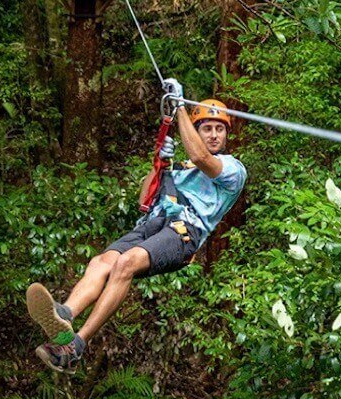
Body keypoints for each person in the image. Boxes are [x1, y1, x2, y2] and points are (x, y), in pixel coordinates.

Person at [25, 79, 247, 372]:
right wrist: (160, 163)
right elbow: (144, 200)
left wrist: (179, 107)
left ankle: (76, 346)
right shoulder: (179, 169)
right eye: (207, 128)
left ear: (226, 135)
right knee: (103, 261)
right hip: (154, 222)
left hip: (184, 232)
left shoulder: (232, 170)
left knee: (126, 263)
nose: (214, 134)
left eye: (220, 129)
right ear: (198, 131)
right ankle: (65, 313)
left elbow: (200, 156)